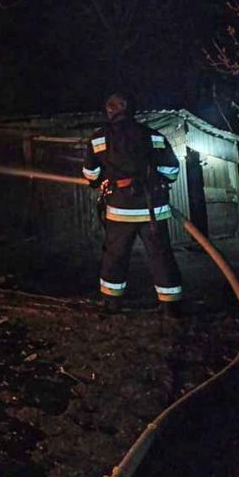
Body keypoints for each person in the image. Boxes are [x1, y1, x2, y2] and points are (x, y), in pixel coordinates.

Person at [82, 93, 183, 315]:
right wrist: (156, 181)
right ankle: (171, 305)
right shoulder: (153, 136)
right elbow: (171, 170)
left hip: (120, 209)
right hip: (153, 209)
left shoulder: (99, 139)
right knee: (161, 255)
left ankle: (112, 303)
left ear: (109, 111)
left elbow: (90, 174)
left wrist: (101, 181)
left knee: (115, 255)